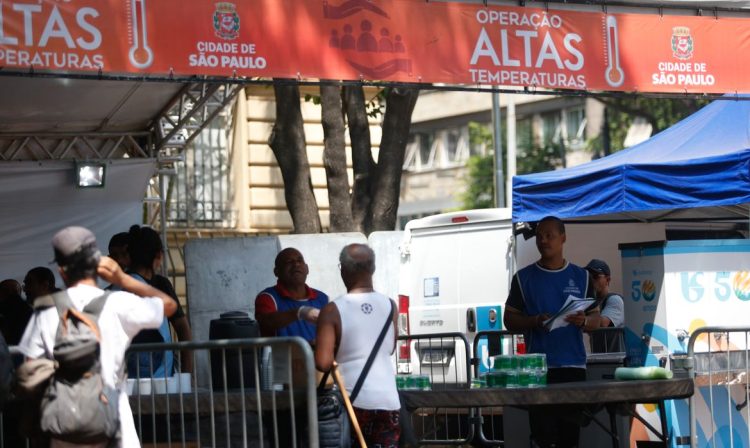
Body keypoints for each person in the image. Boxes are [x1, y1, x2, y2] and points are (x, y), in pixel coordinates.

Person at [18, 226, 177, 447]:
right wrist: (123, 277)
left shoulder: (45, 313)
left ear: (62, 272)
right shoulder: (117, 302)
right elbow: (168, 307)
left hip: (65, 427)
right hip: (115, 424)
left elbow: (31, 371)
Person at [503, 216, 599, 448]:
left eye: (550, 236)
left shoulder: (582, 276)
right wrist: (534, 320)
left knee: (569, 439)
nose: (544, 241)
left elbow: (597, 320)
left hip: (573, 368)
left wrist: (584, 320)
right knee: (543, 439)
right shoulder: (523, 278)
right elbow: (509, 319)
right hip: (538, 371)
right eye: (540, 236)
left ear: (563, 238)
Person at [316, 243, 400, 447]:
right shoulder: (390, 305)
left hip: (353, 401)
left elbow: (323, 363)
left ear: (343, 270)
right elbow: (389, 349)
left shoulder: (332, 310)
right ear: (372, 269)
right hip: (389, 400)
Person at [125, 225, 192, 377]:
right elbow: (183, 328)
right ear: (158, 256)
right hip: (160, 384)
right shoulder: (159, 292)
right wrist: (187, 376)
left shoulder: (114, 289)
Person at [254, 247, 329, 343]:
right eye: (289, 262)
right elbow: (267, 322)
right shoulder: (268, 297)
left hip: (318, 356)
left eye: (299, 260)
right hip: (282, 357)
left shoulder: (322, 298)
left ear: (307, 268)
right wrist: (299, 313)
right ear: (276, 271)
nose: (296, 264)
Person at [585, 259, 625, 353]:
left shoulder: (614, 300)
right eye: (588, 277)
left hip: (615, 360)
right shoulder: (591, 301)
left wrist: (583, 320)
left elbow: (603, 323)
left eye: (595, 277)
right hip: (600, 359)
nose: (591, 281)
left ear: (608, 279)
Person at [0, 279, 32, 345]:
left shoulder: (27, 310)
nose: (10, 293)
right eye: (6, 291)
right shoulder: (29, 309)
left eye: (14, 291)